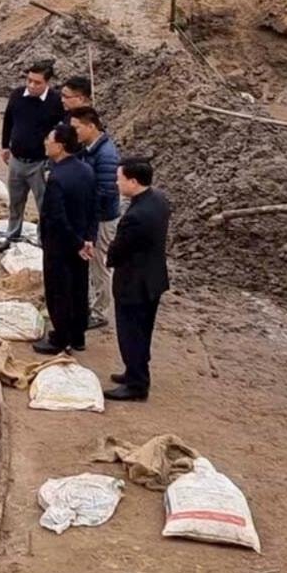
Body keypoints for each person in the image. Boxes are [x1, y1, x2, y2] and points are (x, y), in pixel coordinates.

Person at [105, 158, 171, 401]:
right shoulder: (159, 200)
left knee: (131, 332)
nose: (116, 182)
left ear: (133, 181)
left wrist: (108, 258)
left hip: (134, 281)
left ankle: (136, 385)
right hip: (152, 278)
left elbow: (120, 248)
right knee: (143, 330)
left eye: (119, 178)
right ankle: (134, 371)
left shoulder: (137, 215)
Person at [33, 124, 97, 355]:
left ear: (60, 146)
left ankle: (60, 338)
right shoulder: (86, 170)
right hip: (82, 243)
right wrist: (88, 239)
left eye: (49, 140)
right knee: (79, 289)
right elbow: (93, 208)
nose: (45, 143)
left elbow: (57, 217)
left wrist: (76, 242)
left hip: (61, 245)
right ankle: (78, 335)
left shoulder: (57, 177)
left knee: (59, 291)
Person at [0, 62, 64, 252]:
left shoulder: (55, 102)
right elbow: (8, 120)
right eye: (29, 81)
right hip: (17, 160)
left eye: (37, 83)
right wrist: (4, 146)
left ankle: (44, 242)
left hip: (40, 163)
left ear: (47, 83)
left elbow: (64, 130)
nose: (32, 86)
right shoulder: (18, 95)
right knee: (15, 202)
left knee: (44, 205)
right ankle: (11, 235)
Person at [67, 106, 121, 330]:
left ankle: (100, 312)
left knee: (100, 265)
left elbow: (105, 192)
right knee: (92, 263)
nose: (73, 133)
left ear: (91, 126)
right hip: (92, 216)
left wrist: (89, 222)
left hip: (102, 218)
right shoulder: (88, 148)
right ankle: (93, 303)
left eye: (76, 128)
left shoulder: (106, 155)